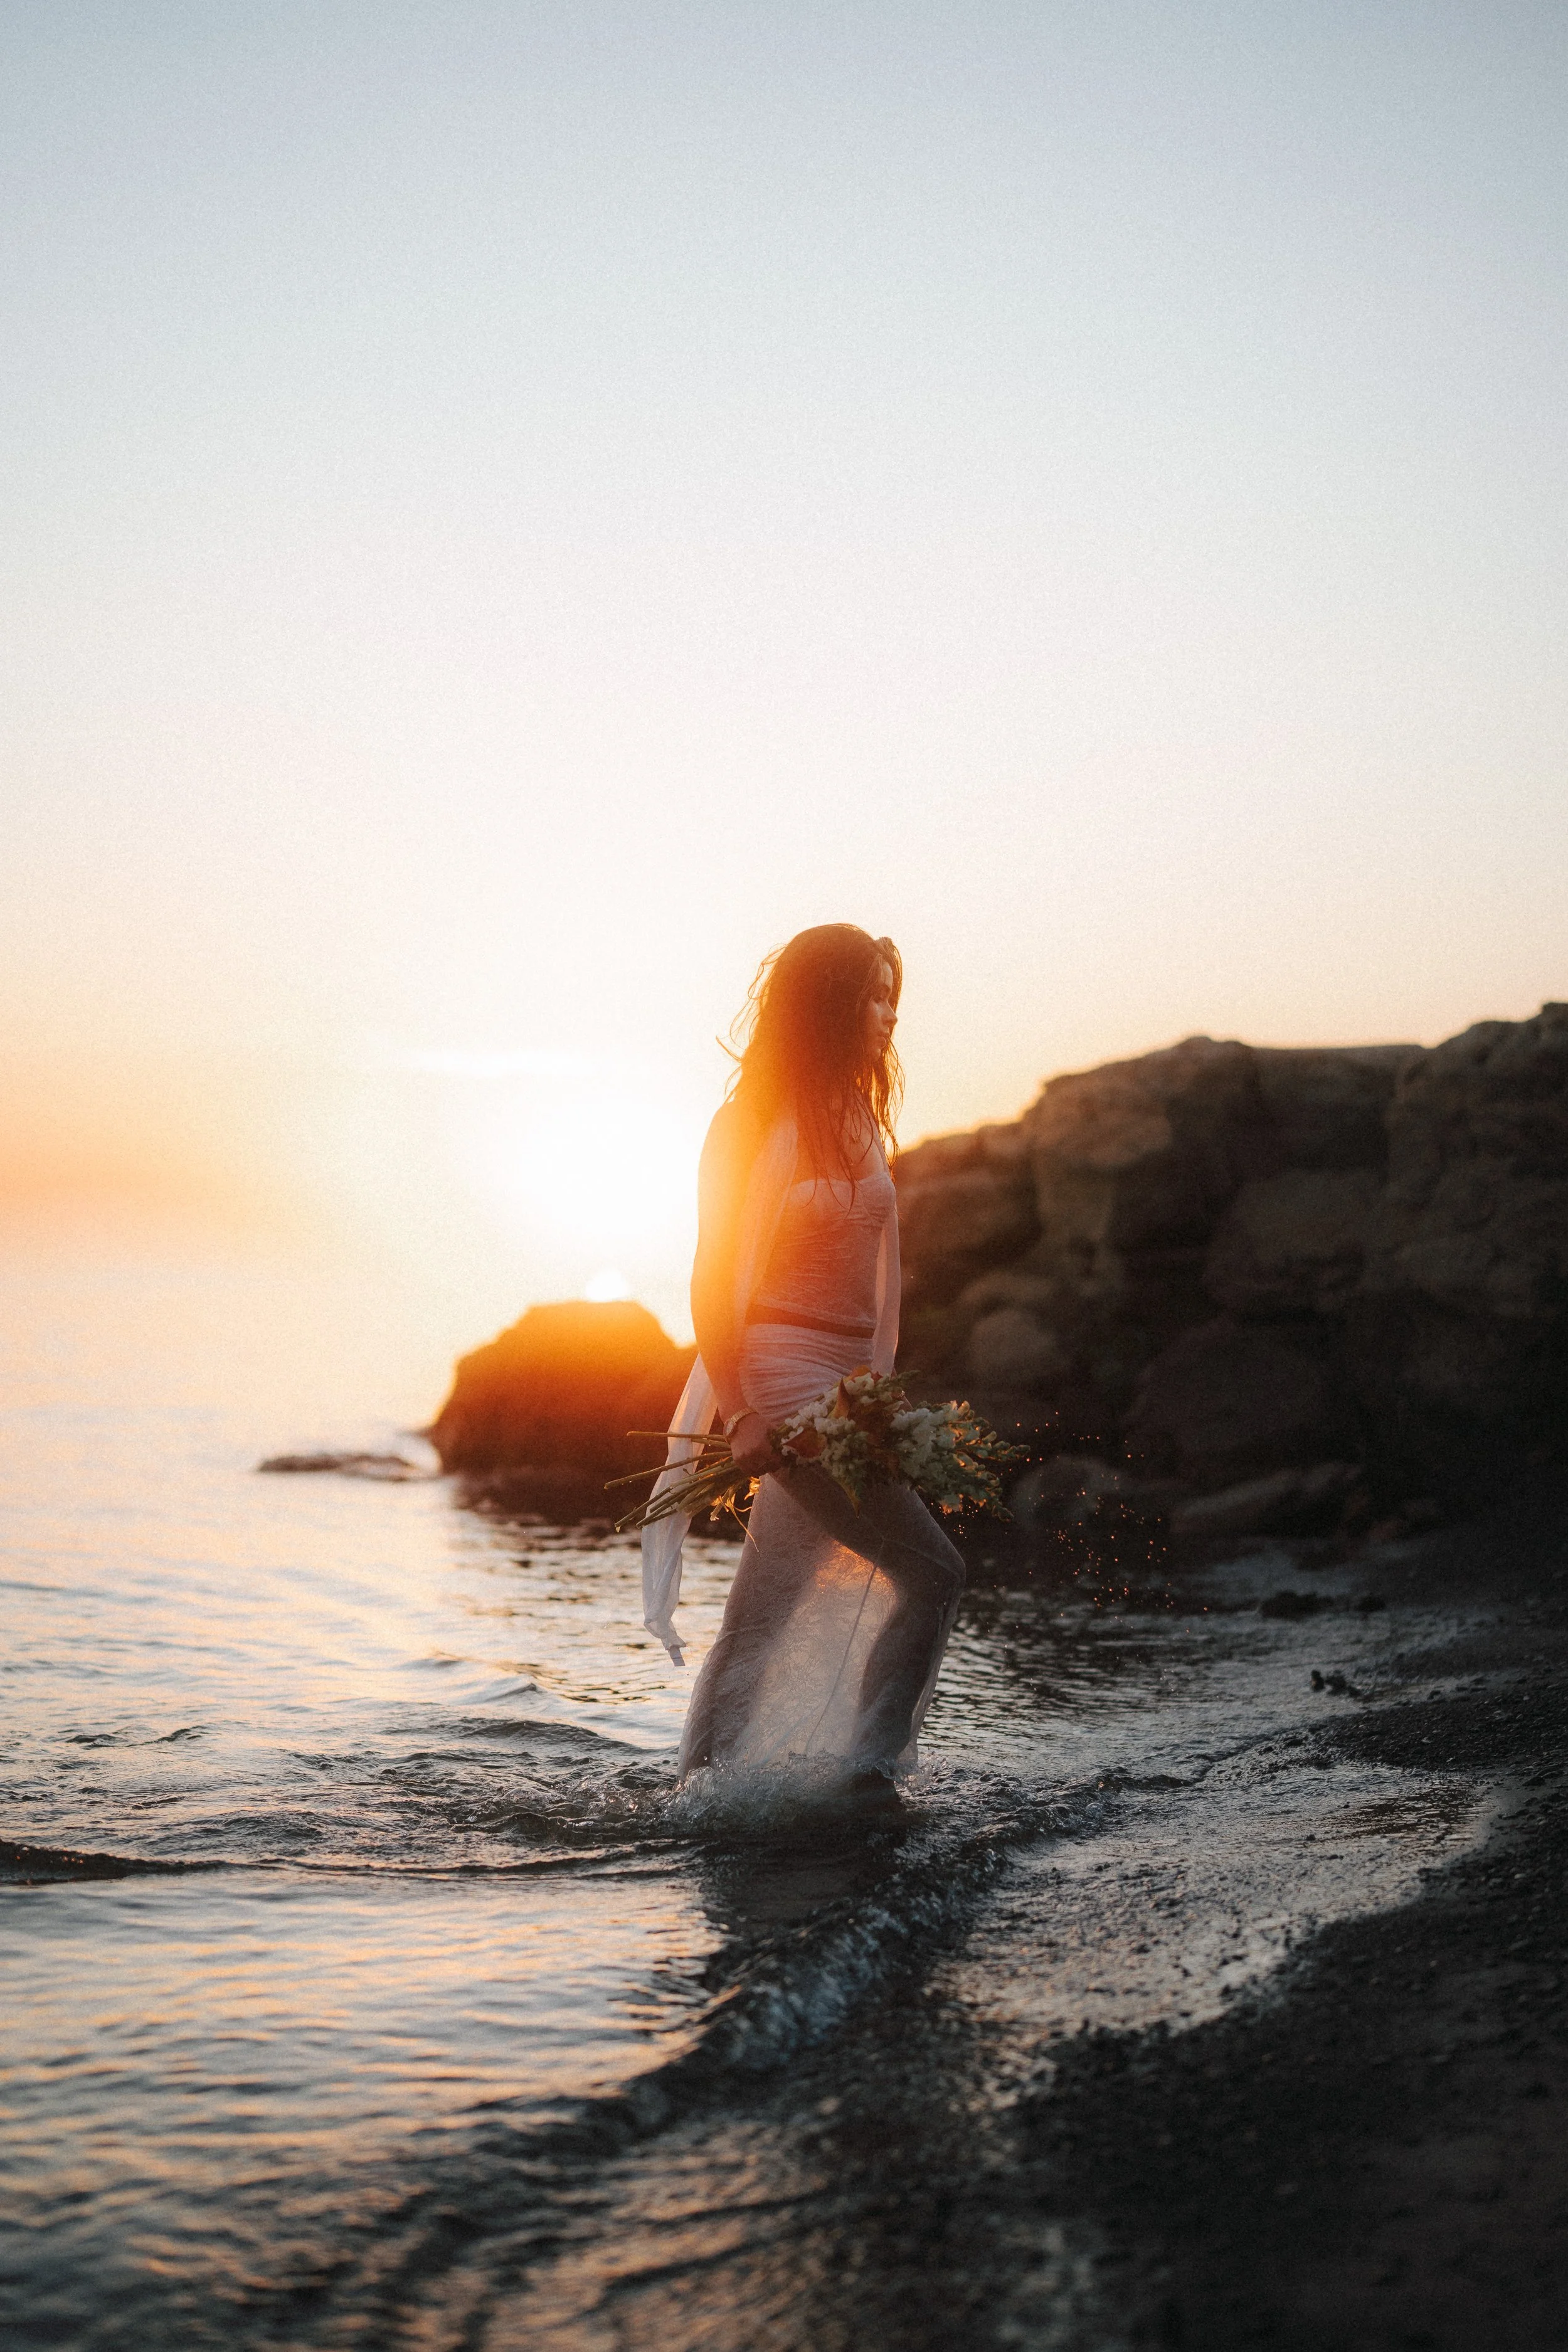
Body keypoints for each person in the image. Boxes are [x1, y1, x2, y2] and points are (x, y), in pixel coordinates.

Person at [642, 924, 965, 1789]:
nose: (889, 1014)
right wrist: (743, 1408)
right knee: (936, 1572)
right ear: (823, 1002)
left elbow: (873, 1277)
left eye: (895, 995)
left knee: (764, 1613)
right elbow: (712, 1275)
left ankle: (695, 1788)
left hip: (849, 1385)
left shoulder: (858, 1113)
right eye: (871, 993)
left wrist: (877, 1396)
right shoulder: (747, 1121)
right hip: (783, 1377)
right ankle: (870, 1774)